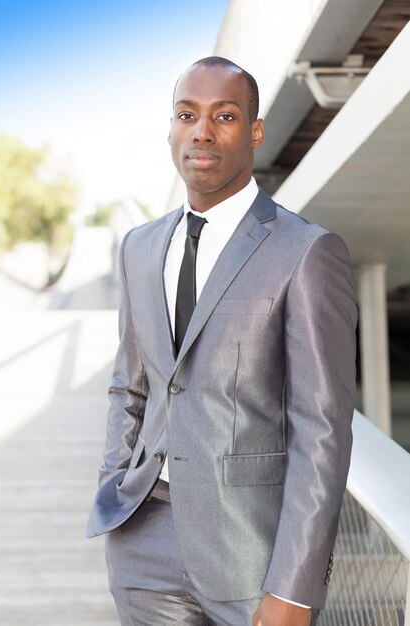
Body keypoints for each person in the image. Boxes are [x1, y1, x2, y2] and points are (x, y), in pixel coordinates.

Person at [86, 56, 357, 626]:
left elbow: (322, 430)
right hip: (143, 542)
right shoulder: (138, 246)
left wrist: (296, 587)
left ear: (254, 131)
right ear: (171, 129)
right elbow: (129, 386)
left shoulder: (306, 252)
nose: (202, 131)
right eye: (187, 114)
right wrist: (115, 481)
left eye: (225, 116)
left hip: (251, 557)